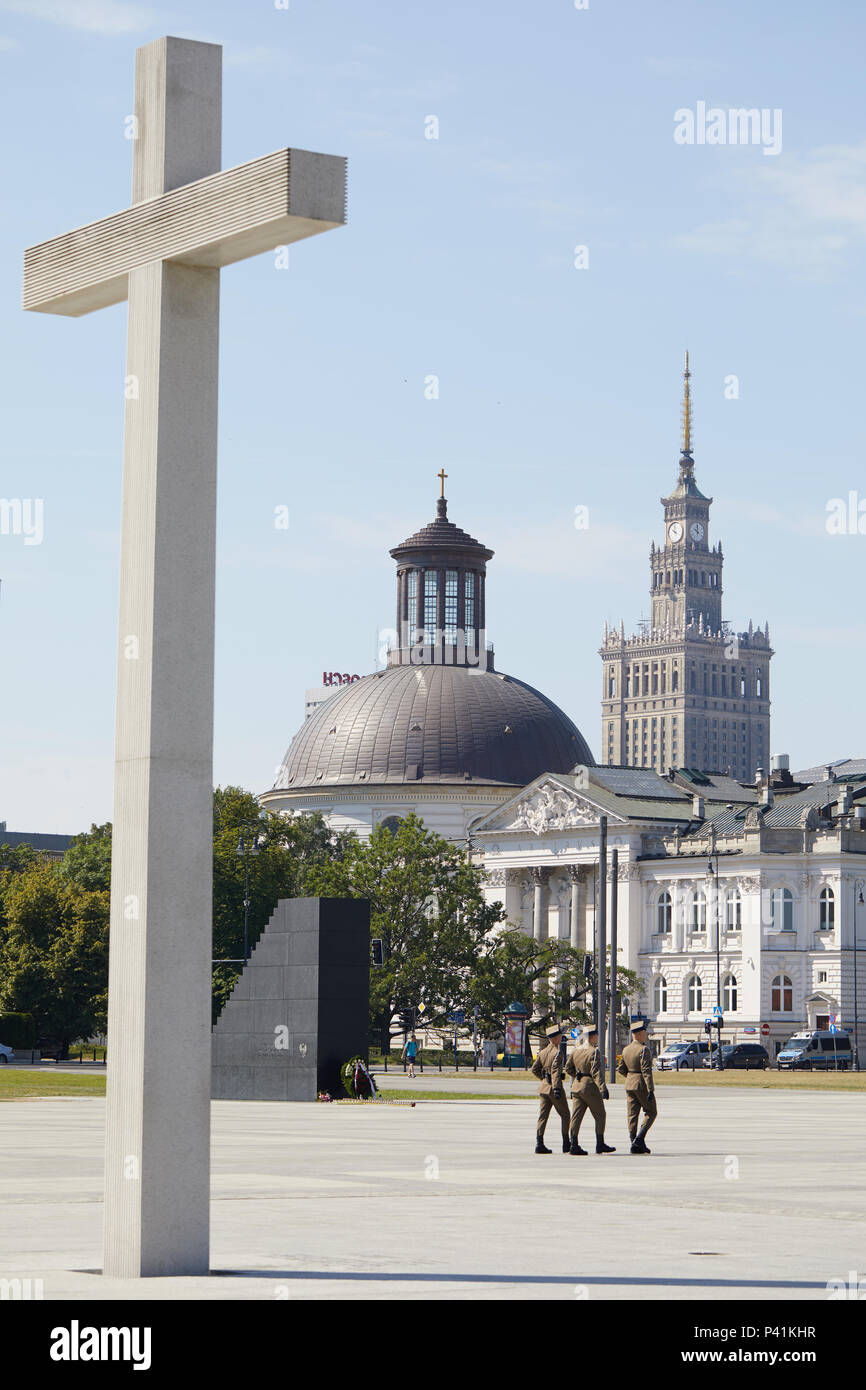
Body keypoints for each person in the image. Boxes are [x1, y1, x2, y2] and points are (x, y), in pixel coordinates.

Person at [565, 1024, 615, 1156]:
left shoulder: (576, 1050)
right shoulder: (594, 1051)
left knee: (576, 1116)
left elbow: (568, 1068)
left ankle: (574, 1144)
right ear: (593, 1036)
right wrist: (603, 1088)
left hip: (577, 1086)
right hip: (590, 1087)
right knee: (600, 1115)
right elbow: (596, 1072)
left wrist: (577, 1076)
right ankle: (600, 1143)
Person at [617, 1019, 657, 1154]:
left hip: (629, 1084)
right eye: (644, 1033)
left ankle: (633, 1141)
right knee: (651, 1112)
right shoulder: (643, 1049)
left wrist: (630, 1077)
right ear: (639, 1034)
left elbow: (621, 1069)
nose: (645, 1035)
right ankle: (639, 1138)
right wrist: (650, 1089)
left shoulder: (626, 1049)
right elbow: (647, 1071)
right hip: (641, 1084)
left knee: (632, 1114)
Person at [530, 1023, 571, 1154]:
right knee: (565, 1115)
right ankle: (566, 1143)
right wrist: (557, 1087)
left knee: (543, 1116)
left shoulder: (543, 1052)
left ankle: (539, 1142)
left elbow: (534, 1069)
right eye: (559, 1036)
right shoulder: (557, 1053)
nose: (561, 1038)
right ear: (554, 1038)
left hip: (544, 1088)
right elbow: (555, 1071)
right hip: (553, 1089)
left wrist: (543, 1079)